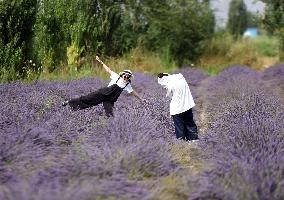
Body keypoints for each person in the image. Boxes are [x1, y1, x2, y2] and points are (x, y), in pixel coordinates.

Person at [62, 56, 145, 117]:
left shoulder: (127, 85)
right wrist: (100, 61)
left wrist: (141, 99)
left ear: (129, 78)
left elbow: (133, 92)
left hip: (110, 99)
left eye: (128, 77)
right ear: (122, 75)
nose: (126, 78)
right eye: (125, 76)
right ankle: (69, 103)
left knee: (110, 114)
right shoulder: (116, 77)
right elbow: (108, 70)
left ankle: (111, 129)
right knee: (87, 99)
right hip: (102, 93)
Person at [157, 72, 198, 141]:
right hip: (187, 105)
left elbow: (170, 96)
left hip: (177, 109)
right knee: (190, 123)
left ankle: (181, 145)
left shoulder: (169, 85)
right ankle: (193, 140)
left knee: (179, 128)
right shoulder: (180, 78)